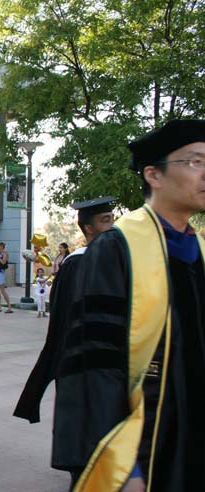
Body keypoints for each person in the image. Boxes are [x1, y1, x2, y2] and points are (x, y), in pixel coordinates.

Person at [54, 120, 205, 491]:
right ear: (153, 174)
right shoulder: (116, 248)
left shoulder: (200, 250)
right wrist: (122, 465)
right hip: (144, 442)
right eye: (194, 162)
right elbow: (94, 361)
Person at [13, 196, 116, 424]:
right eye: (105, 220)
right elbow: (63, 320)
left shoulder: (118, 260)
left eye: (113, 219)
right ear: (89, 228)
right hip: (82, 363)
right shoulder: (77, 264)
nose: (113, 227)